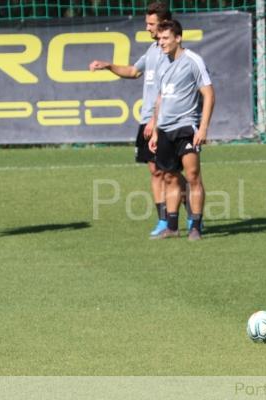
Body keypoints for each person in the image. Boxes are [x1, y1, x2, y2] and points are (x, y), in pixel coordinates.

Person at [88, 2, 189, 237]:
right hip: (147, 119)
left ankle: (192, 211)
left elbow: (168, 90)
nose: (147, 27)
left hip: (165, 120)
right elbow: (134, 71)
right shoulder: (153, 50)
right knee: (155, 171)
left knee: (170, 173)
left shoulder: (172, 52)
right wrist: (109, 66)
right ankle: (163, 220)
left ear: (164, 24)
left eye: (151, 24)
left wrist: (156, 120)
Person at [148, 19, 215, 241]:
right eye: (159, 39)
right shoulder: (161, 62)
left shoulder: (193, 61)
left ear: (178, 38)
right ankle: (172, 226)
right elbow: (160, 99)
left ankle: (195, 225)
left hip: (186, 127)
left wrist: (203, 128)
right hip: (165, 129)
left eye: (165, 38)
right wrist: (156, 130)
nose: (161, 42)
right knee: (169, 177)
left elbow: (208, 94)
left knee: (193, 175)